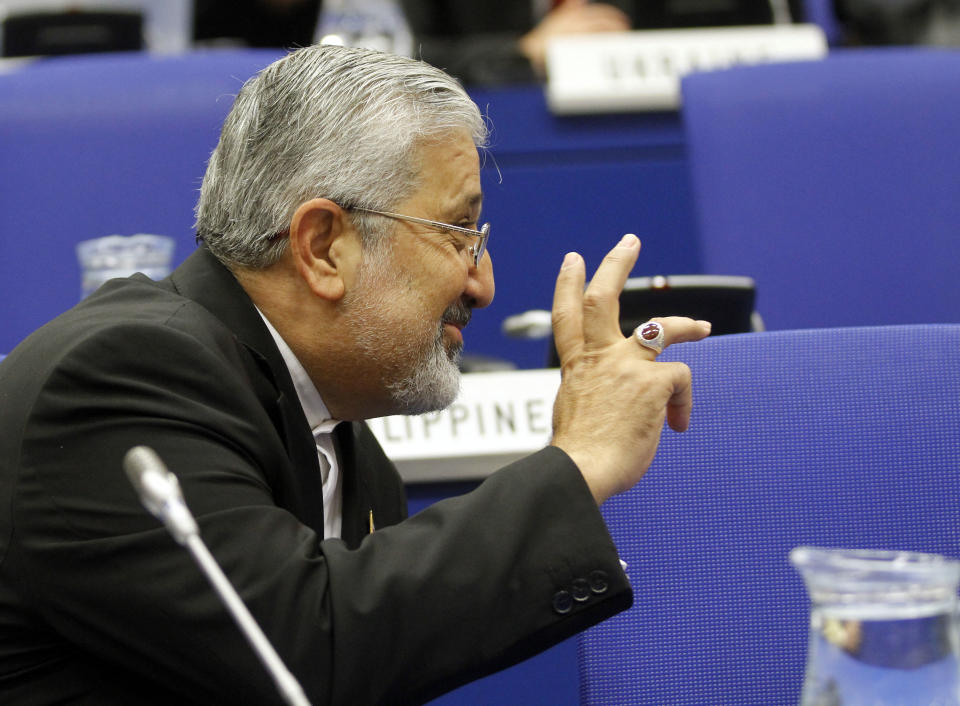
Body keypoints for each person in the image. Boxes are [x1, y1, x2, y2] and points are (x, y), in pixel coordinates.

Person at [0, 45, 710, 704]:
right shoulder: (124, 377)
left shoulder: (349, 450)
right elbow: (298, 656)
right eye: (460, 233)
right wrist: (579, 461)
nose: (484, 282)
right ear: (322, 245)